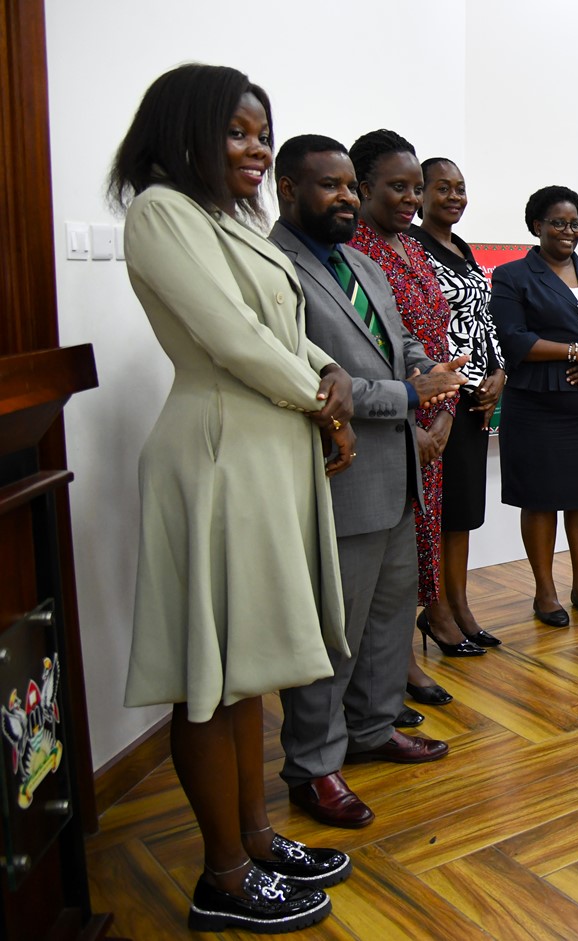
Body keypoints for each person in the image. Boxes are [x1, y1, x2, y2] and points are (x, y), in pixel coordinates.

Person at [113, 64, 347, 933]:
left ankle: (254, 835)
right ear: (184, 131)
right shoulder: (160, 211)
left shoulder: (227, 220)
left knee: (247, 666)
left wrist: (326, 374)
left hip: (268, 445)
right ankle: (220, 874)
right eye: (238, 132)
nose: (256, 149)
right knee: (208, 679)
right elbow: (228, 336)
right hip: (217, 451)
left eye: (262, 133)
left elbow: (283, 333)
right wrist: (321, 391)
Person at [270, 134, 463, 828]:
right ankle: (314, 764)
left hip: (399, 472)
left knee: (387, 616)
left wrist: (431, 372)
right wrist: (410, 396)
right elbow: (324, 385)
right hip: (338, 476)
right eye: (331, 186)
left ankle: (374, 727)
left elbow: (399, 342)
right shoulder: (275, 269)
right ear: (288, 190)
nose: (347, 197)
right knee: (334, 627)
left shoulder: (363, 261)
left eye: (352, 185)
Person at [346, 129, 479, 725]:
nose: (410, 197)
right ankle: (389, 672)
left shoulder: (412, 249)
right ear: (363, 186)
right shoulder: (357, 251)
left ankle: (400, 660)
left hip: (435, 412)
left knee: (415, 549)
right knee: (387, 560)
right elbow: (364, 353)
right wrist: (414, 421)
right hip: (391, 422)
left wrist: (447, 406)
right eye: (398, 187)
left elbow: (436, 335)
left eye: (414, 187)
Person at [491, 185, 578, 626]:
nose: (568, 231)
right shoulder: (512, 276)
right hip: (539, 405)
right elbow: (512, 337)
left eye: (575, 223)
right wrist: (575, 353)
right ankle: (545, 593)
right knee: (540, 499)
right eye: (558, 222)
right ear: (537, 225)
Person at [411, 156, 505, 650]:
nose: (454, 197)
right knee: (438, 512)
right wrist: (457, 385)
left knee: (464, 508)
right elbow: (426, 329)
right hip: (440, 398)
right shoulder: (412, 248)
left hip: (478, 397)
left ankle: (461, 605)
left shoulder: (462, 248)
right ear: (420, 194)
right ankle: (438, 610)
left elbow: (485, 322)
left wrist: (499, 375)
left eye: (461, 188)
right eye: (442, 188)